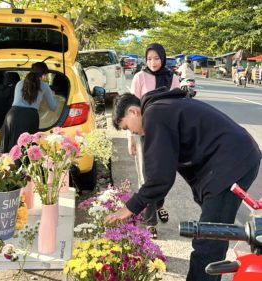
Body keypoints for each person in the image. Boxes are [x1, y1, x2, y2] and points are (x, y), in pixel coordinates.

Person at [106, 90, 261, 281]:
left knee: (208, 241)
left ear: (133, 112)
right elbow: (160, 169)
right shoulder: (160, 109)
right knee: (212, 234)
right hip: (234, 159)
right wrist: (148, 206)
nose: (133, 133)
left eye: (128, 127)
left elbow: (160, 178)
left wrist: (131, 207)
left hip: (231, 164)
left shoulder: (154, 115)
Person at [129, 43, 180, 239]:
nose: (153, 62)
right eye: (149, 59)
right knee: (147, 178)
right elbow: (132, 110)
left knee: (163, 175)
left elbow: (176, 106)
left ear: (163, 58)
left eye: (157, 58)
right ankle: (150, 223)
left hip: (165, 135)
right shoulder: (140, 77)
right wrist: (131, 138)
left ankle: (159, 204)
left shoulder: (171, 77)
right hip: (143, 134)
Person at [0, 62, 58, 153]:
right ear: (44, 75)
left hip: (12, 115)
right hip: (29, 117)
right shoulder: (44, 86)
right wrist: (52, 95)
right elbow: (53, 107)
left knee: (9, 148)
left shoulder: (19, 83)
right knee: (26, 149)